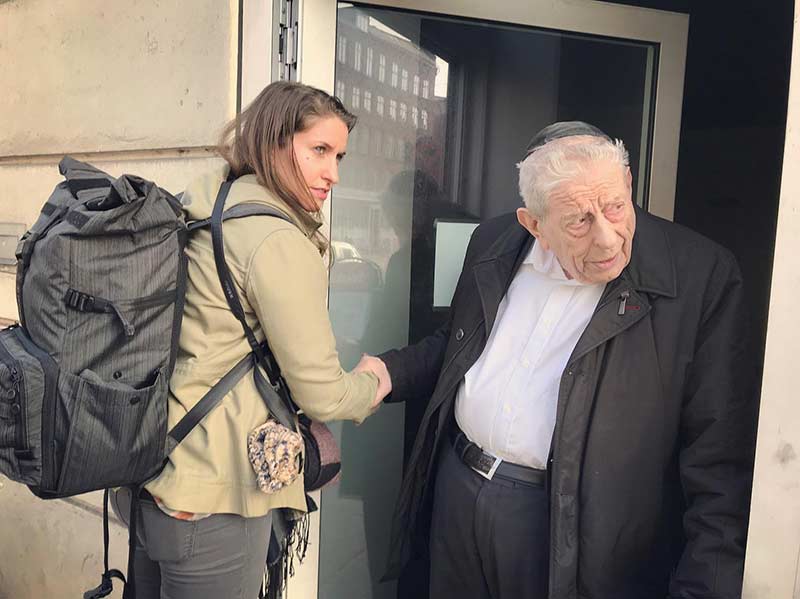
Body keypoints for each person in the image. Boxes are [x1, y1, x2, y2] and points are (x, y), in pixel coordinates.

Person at [358, 122, 754, 599]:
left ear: (628, 183)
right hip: (459, 490)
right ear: (534, 224)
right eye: (579, 221)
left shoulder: (700, 275)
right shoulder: (494, 241)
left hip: (561, 522)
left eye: (614, 206)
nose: (608, 239)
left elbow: (718, 459)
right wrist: (390, 372)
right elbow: (461, 343)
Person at [111, 81, 390, 599]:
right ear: (274, 142)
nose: (333, 173)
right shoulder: (277, 238)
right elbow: (322, 393)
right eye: (319, 151)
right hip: (214, 496)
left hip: (149, 473)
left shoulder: (207, 202)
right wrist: (372, 384)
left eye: (340, 155)